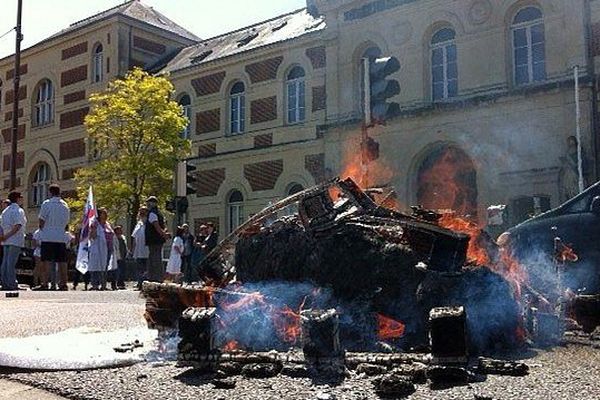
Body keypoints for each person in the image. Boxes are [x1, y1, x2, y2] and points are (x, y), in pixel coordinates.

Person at [38, 184, 71, 291]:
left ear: (50, 192)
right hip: (61, 236)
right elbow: (67, 222)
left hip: (48, 236)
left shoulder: (46, 204)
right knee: (62, 262)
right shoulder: (65, 205)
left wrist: (42, 230)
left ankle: (44, 283)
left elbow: (41, 220)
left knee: (46, 261)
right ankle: (63, 283)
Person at [0, 191, 26, 290]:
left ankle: (4, 282)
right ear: (18, 198)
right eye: (21, 197)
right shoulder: (18, 210)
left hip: (6, 240)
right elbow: (18, 225)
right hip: (14, 239)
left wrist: (3, 237)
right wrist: (7, 236)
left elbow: (1, 226)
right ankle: (11, 284)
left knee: (5, 262)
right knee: (11, 263)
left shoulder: (5, 211)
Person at [88, 208, 117, 290]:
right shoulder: (95, 224)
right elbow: (92, 237)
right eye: (103, 213)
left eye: (106, 213)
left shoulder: (108, 224)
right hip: (98, 248)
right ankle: (95, 284)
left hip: (108, 248)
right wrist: (93, 229)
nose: (105, 215)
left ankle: (103, 284)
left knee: (105, 267)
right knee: (96, 265)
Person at [144, 196, 168, 283]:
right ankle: (155, 277)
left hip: (154, 240)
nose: (147, 204)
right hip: (158, 240)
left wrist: (163, 234)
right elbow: (164, 226)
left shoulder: (152, 213)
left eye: (149, 202)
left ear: (153, 203)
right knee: (155, 258)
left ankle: (156, 277)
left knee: (155, 259)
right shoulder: (159, 213)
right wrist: (164, 233)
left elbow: (156, 226)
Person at [131, 207, 149, 290]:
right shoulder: (138, 224)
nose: (142, 214)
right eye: (140, 212)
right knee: (139, 269)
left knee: (147, 269)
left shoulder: (150, 224)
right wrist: (133, 249)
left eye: (144, 212)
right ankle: (140, 283)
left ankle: (146, 284)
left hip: (147, 251)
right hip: (139, 251)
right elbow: (134, 238)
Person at [113, 225, 128, 289]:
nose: (121, 231)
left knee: (123, 271)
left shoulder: (123, 237)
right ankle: (117, 283)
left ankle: (121, 283)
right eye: (119, 229)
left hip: (123, 256)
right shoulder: (114, 238)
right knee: (118, 271)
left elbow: (125, 246)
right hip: (117, 256)